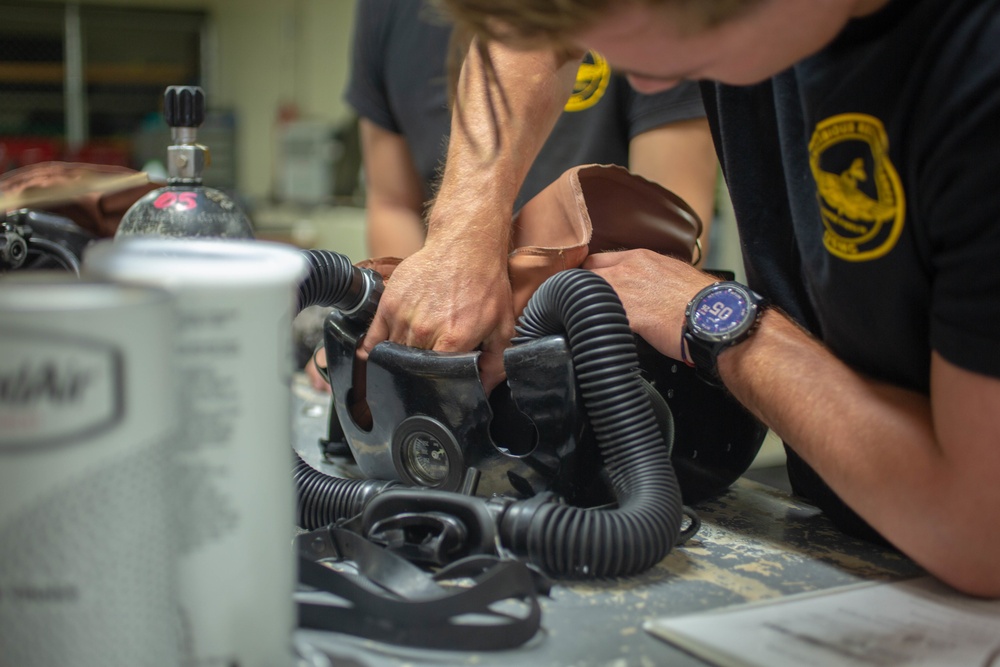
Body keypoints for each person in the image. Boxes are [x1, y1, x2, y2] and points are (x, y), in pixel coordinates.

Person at [358, 0, 1000, 598]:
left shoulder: (977, 73)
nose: (652, 91)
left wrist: (715, 320)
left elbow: (980, 531)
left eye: (670, 59)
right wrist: (465, 229)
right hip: (852, 540)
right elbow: (525, 37)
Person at [305, 0, 719, 389]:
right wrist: (408, 334)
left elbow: (670, 233)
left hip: (601, 357)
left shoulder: (644, 18)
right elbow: (393, 203)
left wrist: (497, 318)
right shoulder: (386, 11)